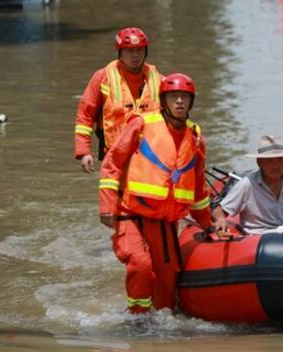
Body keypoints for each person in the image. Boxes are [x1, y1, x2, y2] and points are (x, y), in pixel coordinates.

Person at [98, 73, 212, 314]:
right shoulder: (142, 124)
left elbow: (198, 185)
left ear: (191, 102)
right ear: (164, 100)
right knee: (140, 265)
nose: (179, 102)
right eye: (174, 97)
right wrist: (107, 206)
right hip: (130, 213)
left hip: (164, 219)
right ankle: (137, 319)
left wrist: (208, 224)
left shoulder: (195, 136)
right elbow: (113, 162)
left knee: (168, 274)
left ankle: (163, 320)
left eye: (184, 97)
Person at [74, 27, 163, 174]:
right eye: (130, 51)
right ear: (120, 53)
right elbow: (85, 116)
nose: (135, 56)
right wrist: (84, 152)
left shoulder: (158, 79)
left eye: (140, 50)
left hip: (152, 157)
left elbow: (174, 116)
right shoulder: (102, 78)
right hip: (115, 157)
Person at [212, 135, 283, 235]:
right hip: (257, 239)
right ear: (259, 163)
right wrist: (220, 220)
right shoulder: (247, 184)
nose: (276, 166)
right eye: (270, 161)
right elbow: (219, 210)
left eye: (280, 160)